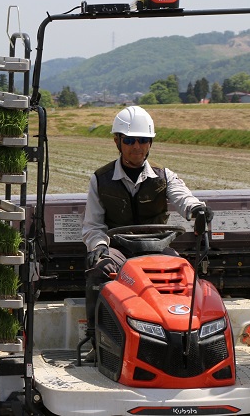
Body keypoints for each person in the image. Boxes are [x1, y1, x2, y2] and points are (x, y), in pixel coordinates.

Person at [81, 105, 210, 361]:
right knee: (99, 270)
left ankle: (192, 341)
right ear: (117, 141)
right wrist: (99, 248)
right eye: (129, 140)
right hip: (119, 248)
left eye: (143, 140)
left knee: (187, 274)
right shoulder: (100, 179)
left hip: (159, 248)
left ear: (150, 143)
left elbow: (183, 198)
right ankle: (97, 343)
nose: (136, 146)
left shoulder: (165, 176)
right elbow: (93, 226)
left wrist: (197, 210)